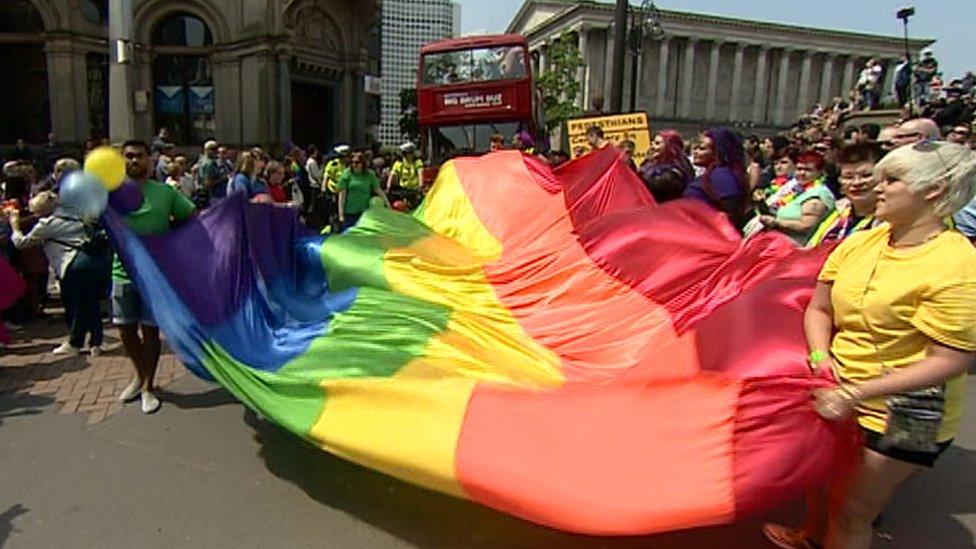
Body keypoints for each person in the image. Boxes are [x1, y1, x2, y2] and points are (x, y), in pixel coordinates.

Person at [764, 141, 976, 549]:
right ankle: (812, 535)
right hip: (837, 389)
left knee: (853, 509)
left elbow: (951, 360)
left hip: (908, 413)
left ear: (933, 190)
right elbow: (818, 309)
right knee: (820, 478)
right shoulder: (861, 242)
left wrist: (856, 392)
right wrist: (820, 360)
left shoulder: (958, 264)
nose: (876, 187)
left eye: (891, 180)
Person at [113, 140, 196, 414]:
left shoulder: (165, 193)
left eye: (138, 156)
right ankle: (138, 375)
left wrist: (175, 244)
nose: (133, 161)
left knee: (150, 331)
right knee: (125, 329)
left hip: (156, 275)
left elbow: (192, 216)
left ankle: (148, 386)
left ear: (149, 160)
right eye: (128, 156)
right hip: (121, 272)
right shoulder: (111, 194)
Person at [9, 190, 111, 356]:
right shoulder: (76, 214)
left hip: (72, 264)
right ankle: (96, 343)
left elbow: (21, 243)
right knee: (91, 304)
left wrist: (15, 227)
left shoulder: (48, 225)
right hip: (94, 261)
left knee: (76, 306)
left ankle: (74, 343)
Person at [808, 142, 883, 247]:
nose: (857, 183)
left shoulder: (889, 221)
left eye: (866, 175)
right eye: (848, 177)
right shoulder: (837, 213)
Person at [758, 151, 836, 245]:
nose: (802, 173)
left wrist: (775, 222)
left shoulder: (818, 193)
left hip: (799, 249)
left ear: (820, 172)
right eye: (799, 169)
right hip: (778, 243)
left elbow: (806, 226)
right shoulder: (796, 188)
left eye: (808, 170)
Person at [683, 127, 748, 229]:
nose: (695, 152)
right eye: (695, 148)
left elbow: (732, 214)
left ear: (716, 153)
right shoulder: (712, 173)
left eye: (702, 149)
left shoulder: (722, 176)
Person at [337, 151, 391, 231]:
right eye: (352, 162)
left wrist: (388, 205)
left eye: (357, 162)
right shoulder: (347, 174)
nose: (354, 164)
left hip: (365, 213)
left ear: (363, 163)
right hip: (350, 213)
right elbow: (342, 195)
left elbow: (379, 191)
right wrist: (341, 214)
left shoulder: (370, 175)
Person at [193, 140, 223, 207]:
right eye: (212, 149)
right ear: (206, 150)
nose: (215, 151)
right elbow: (207, 183)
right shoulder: (208, 164)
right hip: (209, 195)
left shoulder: (202, 161)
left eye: (216, 149)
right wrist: (222, 179)